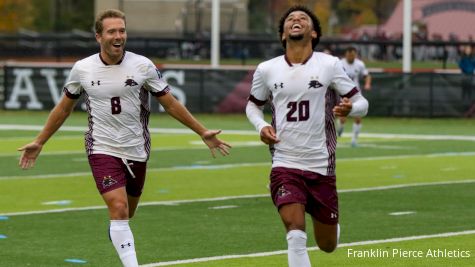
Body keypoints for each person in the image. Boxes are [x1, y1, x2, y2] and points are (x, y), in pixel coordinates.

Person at [17, 9, 231, 267]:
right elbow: (64, 108)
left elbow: (171, 104)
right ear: (98, 36)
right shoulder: (82, 69)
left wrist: (202, 131)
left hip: (136, 148)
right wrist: (40, 141)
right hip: (101, 146)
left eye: (122, 30)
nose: (119, 36)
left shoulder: (142, 65)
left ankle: (117, 231)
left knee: (127, 213)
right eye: (112, 31)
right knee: (118, 208)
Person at [245, 5, 368, 267]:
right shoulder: (267, 69)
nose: (296, 20)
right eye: (290, 18)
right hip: (284, 162)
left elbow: (362, 103)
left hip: (321, 164)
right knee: (295, 233)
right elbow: (252, 105)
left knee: (327, 245)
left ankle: (328, 223)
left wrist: (350, 107)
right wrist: (260, 126)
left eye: (303, 18)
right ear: (282, 34)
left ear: (313, 33)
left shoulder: (330, 65)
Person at [337, 46, 372, 147]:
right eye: (349, 55)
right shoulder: (339, 63)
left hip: (355, 94)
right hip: (342, 93)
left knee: (358, 117)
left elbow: (367, 75)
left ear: (355, 55)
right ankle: (340, 129)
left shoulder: (360, 64)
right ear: (346, 55)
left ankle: (354, 140)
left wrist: (367, 84)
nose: (351, 57)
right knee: (342, 117)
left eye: (353, 55)